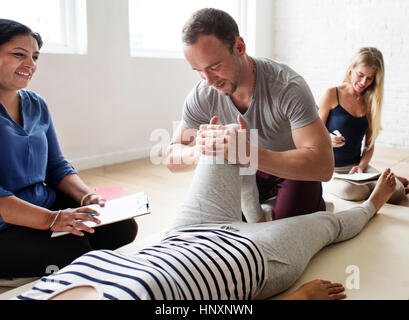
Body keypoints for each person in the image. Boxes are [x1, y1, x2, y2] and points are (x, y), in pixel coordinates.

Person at [14, 150, 397, 300]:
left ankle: (258, 196)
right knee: (324, 222)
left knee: (222, 144)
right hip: (257, 258)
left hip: (183, 233)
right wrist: (298, 299)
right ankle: (370, 203)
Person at [166, 8, 334, 222]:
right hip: (246, 173)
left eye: (214, 67)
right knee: (226, 228)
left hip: (290, 168)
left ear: (239, 47)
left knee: (280, 232)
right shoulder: (202, 94)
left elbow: (323, 166)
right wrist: (199, 152)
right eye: (198, 70)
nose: (207, 80)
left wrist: (248, 153)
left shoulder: (287, 87)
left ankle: (315, 203)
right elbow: (172, 157)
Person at [0, 19, 137, 278]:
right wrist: (51, 221)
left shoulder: (36, 104)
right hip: (6, 223)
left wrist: (87, 197)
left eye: (35, 57)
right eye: (19, 55)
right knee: (72, 248)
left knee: (120, 227)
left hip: (44, 205)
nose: (30, 65)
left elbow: (56, 166)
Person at [318, 47, 408, 203]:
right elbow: (312, 135)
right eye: (360, 75)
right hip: (331, 170)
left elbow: (368, 145)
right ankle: (379, 184)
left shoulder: (371, 101)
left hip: (357, 168)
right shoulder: (332, 94)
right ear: (351, 69)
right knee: (354, 192)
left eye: (370, 78)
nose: (363, 82)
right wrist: (328, 139)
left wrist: (361, 166)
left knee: (397, 192)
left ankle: (386, 182)